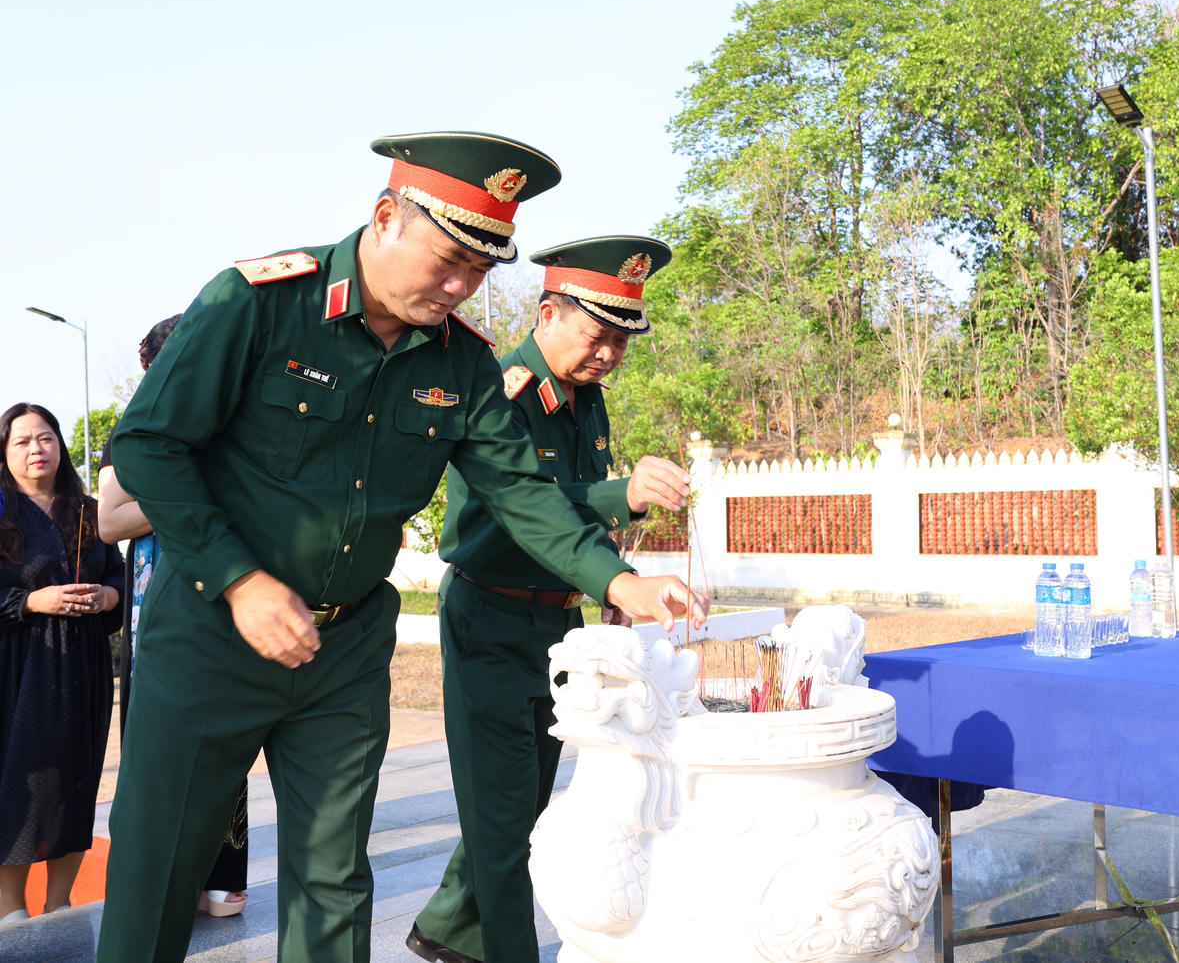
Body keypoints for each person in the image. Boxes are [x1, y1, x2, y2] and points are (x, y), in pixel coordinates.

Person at [96, 131, 706, 963]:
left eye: (481, 273)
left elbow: (519, 492)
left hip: (344, 646)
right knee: (159, 866)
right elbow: (148, 446)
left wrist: (620, 578)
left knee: (334, 879)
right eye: (448, 260)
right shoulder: (258, 302)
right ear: (386, 217)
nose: (459, 287)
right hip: (210, 631)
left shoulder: (464, 363)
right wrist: (240, 581)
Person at [408, 235, 692, 963]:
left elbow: (573, 524)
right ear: (548, 314)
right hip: (490, 619)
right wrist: (618, 495)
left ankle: (446, 928)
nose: (607, 355)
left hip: (555, 622)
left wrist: (609, 588)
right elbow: (509, 516)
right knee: (506, 828)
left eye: (620, 344)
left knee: (523, 805)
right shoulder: (498, 391)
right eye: (597, 336)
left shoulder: (584, 399)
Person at [98, 314, 250, 919]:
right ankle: (159, 884)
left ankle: (223, 875)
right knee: (157, 751)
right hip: (155, 608)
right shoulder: (132, 433)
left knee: (228, 741)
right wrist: (186, 496)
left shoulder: (237, 427)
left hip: (228, 602)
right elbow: (111, 522)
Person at [0, 403, 123, 925]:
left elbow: (122, 577)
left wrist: (107, 599)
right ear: (5, 453)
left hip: (84, 667)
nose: (36, 449)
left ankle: (60, 902)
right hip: (19, 668)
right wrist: (32, 602)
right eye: (22, 441)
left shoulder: (90, 511)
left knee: (78, 779)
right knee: (18, 783)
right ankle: (9, 911)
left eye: (45, 438)